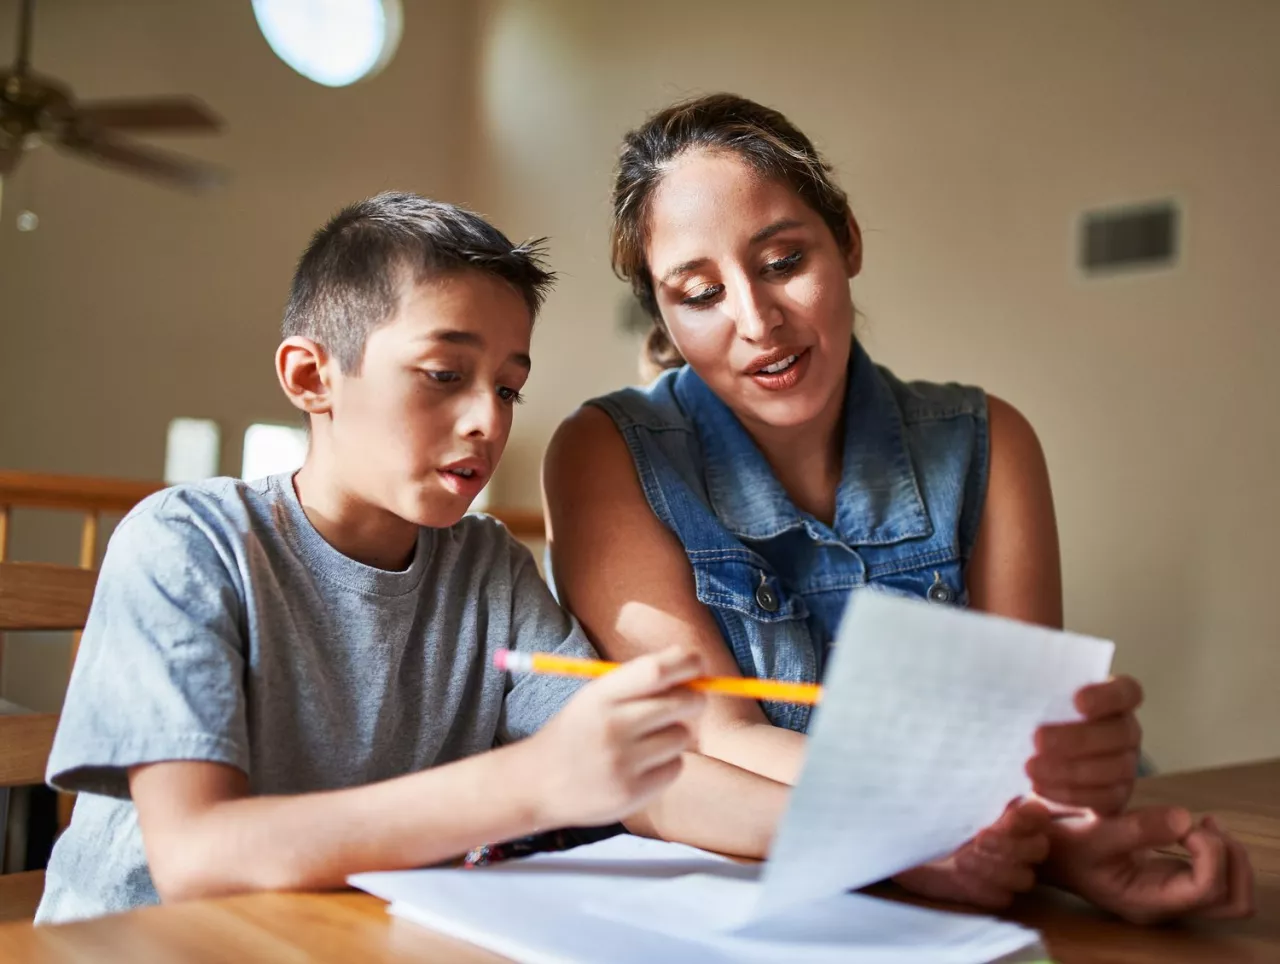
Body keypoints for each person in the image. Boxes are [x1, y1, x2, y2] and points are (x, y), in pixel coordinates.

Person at [543, 94, 1254, 923]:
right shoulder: (606, 453)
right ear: (663, 310)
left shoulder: (990, 442)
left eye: (781, 262)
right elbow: (710, 738)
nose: (757, 319)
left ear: (847, 240)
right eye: (699, 293)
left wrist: (1076, 836)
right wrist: (925, 834)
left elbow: (1024, 752)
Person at [36, 192, 704, 924]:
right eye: (445, 374)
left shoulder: (488, 568)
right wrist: (530, 783)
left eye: (508, 387)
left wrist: (840, 828)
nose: (489, 419)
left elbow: (655, 782)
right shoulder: (186, 541)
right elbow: (197, 856)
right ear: (311, 377)